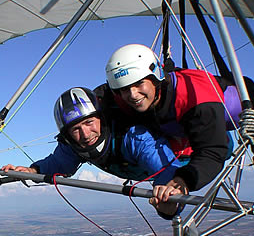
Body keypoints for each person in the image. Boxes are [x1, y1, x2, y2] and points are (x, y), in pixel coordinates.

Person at [1, 87, 185, 218]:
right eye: (75, 129)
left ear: (101, 118)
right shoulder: (74, 145)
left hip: (182, 160)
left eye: (89, 123)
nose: (85, 134)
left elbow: (166, 170)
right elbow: (58, 163)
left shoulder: (134, 137)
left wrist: (168, 204)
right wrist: (31, 171)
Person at [103, 43, 231, 216]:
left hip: (211, 135)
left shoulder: (197, 100)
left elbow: (213, 152)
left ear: (155, 77)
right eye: (125, 89)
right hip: (169, 131)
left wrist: (181, 182)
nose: (133, 95)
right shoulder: (121, 98)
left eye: (139, 83)